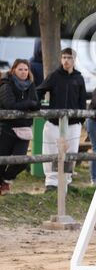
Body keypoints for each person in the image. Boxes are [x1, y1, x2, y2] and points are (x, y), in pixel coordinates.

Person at [37, 48, 87, 191]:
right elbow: (39, 91)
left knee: (70, 153)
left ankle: (66, 181)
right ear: (61, 59)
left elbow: (82, 100)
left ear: (74, 60)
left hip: (73, 124)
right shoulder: (54, 76)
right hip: (54, 122)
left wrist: (80, 119)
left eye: (69, 58)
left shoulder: (79, 78)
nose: (66, 60)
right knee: (50, 151)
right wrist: (42, 108)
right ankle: (51, 183)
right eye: (64, 57)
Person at [0, 60, 40, 195]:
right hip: (6, 128)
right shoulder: (6, 85)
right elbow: (10, 105)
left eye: (26, 70)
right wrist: (28, 104)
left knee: (21, 160)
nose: (23, 72)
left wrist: (30, 104)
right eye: (20, 69)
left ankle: (6, 180)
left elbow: (37, 104)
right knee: (2, 160)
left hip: (24, 128)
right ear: (13, 70)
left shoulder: (31, 85)